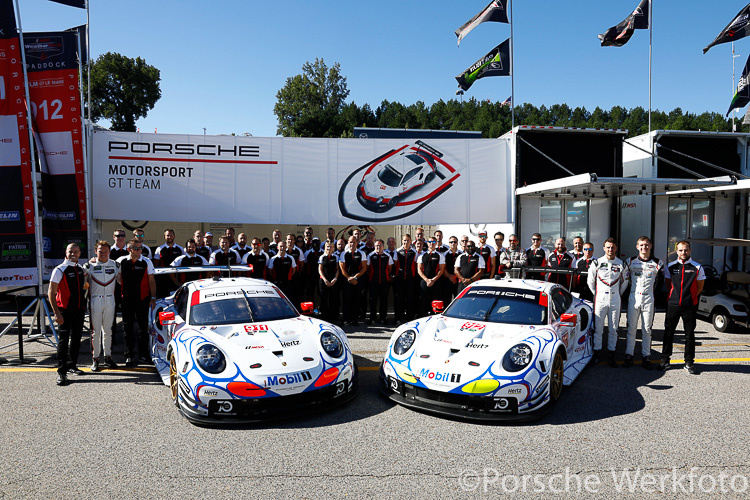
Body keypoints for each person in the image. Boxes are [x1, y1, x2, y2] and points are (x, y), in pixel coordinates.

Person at [659, 241, 705, 375]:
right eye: (680, 250)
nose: (683, 253)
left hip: (689, 306)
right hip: (672, 305)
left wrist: (689, 298)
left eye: (685, 250)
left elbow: (700, 287)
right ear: (677, 251)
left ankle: (689, 362)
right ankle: (665, 360)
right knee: (668, 333)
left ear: (690, 250)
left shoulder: (697, 267)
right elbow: (669, 286)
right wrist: (674, 298)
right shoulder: (670, 266)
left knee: (689, 335)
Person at [49, 243, 87, 385]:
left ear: (79, 253)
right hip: (64, 311)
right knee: (64, 341)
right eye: (71, 251)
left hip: (79, 310)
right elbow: (51, 292)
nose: (73, 254)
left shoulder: (80, 269)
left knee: (76, 339)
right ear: (66, 252)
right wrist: (57, 313)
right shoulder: (60, 269)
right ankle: (61, 372)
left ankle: (72, 366)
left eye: (76, 251)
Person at [587, 238, 629, 367]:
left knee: (613, 329)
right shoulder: (596, 262)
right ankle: (597, 353)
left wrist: (617, 294)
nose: (610, 250)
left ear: (616, 248)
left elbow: (625, 283)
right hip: (600, 298)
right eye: (608, 247)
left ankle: (612, 353)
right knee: (598, 328)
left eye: (612, 247)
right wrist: (598, 294)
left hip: (615, 298)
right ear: (604, 248)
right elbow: (590, 281)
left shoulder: (622, 264)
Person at [624, 236, 664, 369]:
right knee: (631, 329)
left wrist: (655, 297)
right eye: (641, 245)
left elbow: (660, 283)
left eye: (646, 245)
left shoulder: (658, 263)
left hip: (649, 299)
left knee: (647, 329)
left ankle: (646, 356)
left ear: (651, 246)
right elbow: (624, 280)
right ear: (637, 247)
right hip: (633, 298)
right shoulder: (630, 262)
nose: (644, 247)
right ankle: (629, 354)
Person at [116, 238, 156, 367]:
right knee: (127, 328)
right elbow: (113, 274)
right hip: (126, 299)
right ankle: (129, 356)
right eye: (136, 248)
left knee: (143, 328)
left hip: (142, 299)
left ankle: (143, 355)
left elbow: (151, 281)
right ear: (129, 249)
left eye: (141, 248)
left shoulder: (147, 261)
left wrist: (153, 297)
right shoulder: (121, 261)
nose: (139, 251)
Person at [83, 241, 120, 372]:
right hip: (95, 301)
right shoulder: (89, 265)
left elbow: (121, 280)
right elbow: (83, 284)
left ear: (109, 251)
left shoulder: (115, 265)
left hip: (110, 300)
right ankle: (95, 359)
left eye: (105, 251)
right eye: (100, 251)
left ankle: (108, 357)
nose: (103, 253)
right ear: (95, 251)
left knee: (108, 330)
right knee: (95, 331)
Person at [339, 236, 367, 326]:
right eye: (350, 242)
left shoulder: (361, 253)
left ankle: (355, 320)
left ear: (357, 243)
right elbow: (342, 268)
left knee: (357, 300)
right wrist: (349, 278)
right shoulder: (344, 254)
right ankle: (346, 319)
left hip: (358, 280)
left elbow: (364, 267)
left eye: (354, 242)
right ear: (348, 243)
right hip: (347, 280)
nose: (352, 244)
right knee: (347, 300)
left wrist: (355, 277)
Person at [367, 239, 393, 325]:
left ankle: (383, 318)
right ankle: (372, 318)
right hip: (373, 282)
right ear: (374, 246)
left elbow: (390, 268)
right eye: (377, 245)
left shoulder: (387, 256)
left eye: (380, 245)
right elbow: (367, 268)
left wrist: (385, 276)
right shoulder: (370, 256)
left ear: (383, 246)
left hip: (384, 282)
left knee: (383, 301)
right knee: (372, 301)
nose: (378, 247)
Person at [417, 237, 446, 316]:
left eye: (433, 242)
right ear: (427, 243)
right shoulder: (421, 256)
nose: (431, 243)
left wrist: (433, 280)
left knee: (436, 302)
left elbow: (441, 270)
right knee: (423, 301)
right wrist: (427, 280)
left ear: (436, 243)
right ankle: (423, 316)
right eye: (429, 242)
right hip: (424, 282)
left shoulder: (440, 256)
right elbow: (419, 270)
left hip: (436, 282)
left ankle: (436, 317)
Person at [394, 234, 418, 323]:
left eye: (407, 240)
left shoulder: (414, 252)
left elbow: (415, 265)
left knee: (410, 299)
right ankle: (398, 318)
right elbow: (395, 264)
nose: (406, 242)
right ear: (402, 241)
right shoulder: (397, 251)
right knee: (399, 299)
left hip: (410, 279)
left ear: (411, 241)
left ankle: (409, 318)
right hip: (399, 279)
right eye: (404, 240)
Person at [154, 228, 184, 297]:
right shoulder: (159, 249)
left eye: (171, 235)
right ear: (164, 237)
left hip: (177, 279)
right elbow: (156, 265)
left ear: (174, 236)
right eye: (167, 235)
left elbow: (183, 263)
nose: (169, 237)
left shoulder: (180, 249)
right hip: (163, 280)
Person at [318, 240, 341, 324]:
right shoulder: (322, 257)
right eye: (327, 246)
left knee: (333, 299)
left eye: (331, 246)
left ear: (333, 248)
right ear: (325, 247)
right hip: (324, 280)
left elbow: (338, 269)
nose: (329, 248)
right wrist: (325, 280)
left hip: (333, 280)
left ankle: (333, 318)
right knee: (323, 299)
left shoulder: (336, 257)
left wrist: (335, 279)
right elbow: (320, 270)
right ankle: (324, 317)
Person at [442, 236, 462, 304]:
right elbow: (442, 268)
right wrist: (450, 277)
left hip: (458, 280)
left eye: (455, 242)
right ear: (449, 243)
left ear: (457, 243)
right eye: (451, 242)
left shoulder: (461, 254)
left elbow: (463, 268)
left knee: (458, 300)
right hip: (447, 280)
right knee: (447, 300)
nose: (453, 243)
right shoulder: (444, 255)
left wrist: (456, 277)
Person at [303, 237, 323, 303]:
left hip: (321, 277)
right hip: (310, 277)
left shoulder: (323, 252)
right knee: (310, 293)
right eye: (314, 242)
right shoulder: (307, 253)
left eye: (317, 242)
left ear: (320, 243)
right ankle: (310, 309)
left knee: (321, 293)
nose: (316, 244)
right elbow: (305, 265)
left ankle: (321, 309)